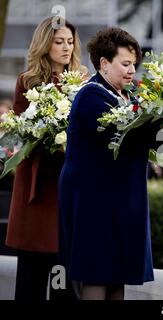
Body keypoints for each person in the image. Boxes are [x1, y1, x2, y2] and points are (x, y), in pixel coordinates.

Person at [58, 27, 163, 300]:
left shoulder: (128, 96)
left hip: (122, 194)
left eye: (133, 65)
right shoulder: (90, 95)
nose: (131, 70)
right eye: (125, 64)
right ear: (104, 63)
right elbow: (127, 135)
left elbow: (145, 139)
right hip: (93, 197)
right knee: (97, 271)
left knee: (118, 273)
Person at [5, 17, 86, 301]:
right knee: (31, 278)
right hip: (36, 188)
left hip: (68, 185)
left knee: (66, 280)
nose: (66, 47)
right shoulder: (27, 81)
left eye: (70, 41)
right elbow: (19, 132)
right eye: (59, 41)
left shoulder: (82, 81)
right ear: (45, 43)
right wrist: (49, 134)